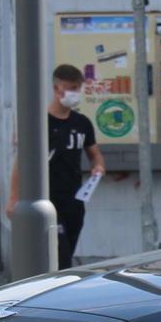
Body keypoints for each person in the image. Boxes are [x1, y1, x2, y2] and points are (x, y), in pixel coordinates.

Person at [45, 62, 102, 267]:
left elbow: (94, 153)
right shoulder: (42, 123)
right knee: (60, 254)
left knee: (69, 247)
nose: (76, 93)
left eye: (79, 88)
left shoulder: (82, 123)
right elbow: (21, 162)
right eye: (71, 88)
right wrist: (14, 198)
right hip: (50, 199)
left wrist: (98, 167)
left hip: (75, 199)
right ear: (57, 88)